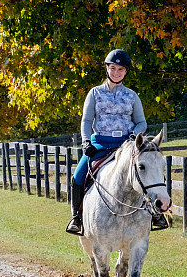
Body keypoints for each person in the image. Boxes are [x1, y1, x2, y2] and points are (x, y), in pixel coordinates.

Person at [66, 49, 170, 236]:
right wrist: (85, 141)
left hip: (126, 145)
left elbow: (141, 122)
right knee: (78, 176)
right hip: (100, 144)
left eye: (120, 69)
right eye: (113, 68)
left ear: (126, 72)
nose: (116, 72)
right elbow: (86, 121)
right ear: (107, 69)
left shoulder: (132, 96)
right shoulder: (94, 93)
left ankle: (155, 214)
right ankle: (77, 217)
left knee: (146, 173)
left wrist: (133, 135)